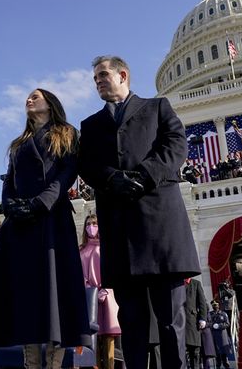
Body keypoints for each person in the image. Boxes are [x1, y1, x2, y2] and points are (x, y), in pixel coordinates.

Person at [78, 55, 201, 368]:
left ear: (123, 75)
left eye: (103, 75)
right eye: (95, 79)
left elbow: (175, 146)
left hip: (161, 231)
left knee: (171, 321)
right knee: (131, 323)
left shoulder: (157, 107)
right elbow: (87, 165)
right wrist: (112, 178)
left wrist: (144, 175)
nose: (98, 82)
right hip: (120, 235)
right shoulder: (90, 126)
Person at [0, 89, 91, 369]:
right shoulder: (18, 143)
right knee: (25, 292)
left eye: (35, 96)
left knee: (55, 293)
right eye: (27, 97)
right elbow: (8, 180)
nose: (29, 99)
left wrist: (40, 203)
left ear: (50, 104)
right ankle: (30, 362)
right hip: (20, 225)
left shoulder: (67, 133)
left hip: (52, 220)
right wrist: (10, 207)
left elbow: (67, 174)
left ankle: (53, 363)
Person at [79, 214, 121, 369]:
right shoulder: (81, 251)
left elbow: (111, 269)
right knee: (93, 338)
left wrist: (104, 288)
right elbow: (80, 275)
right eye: (88, 223)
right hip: (90, 298)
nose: (91, 226)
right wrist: (91, 290)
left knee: (109, 337)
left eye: (95, 223)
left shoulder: (106, 247)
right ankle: (93, 365)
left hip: (108, 295)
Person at [184, 278, 214, 369]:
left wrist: (203, 319)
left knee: (195, 353)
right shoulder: (176, 283)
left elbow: (202, 303)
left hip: (192, 323)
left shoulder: (196, 283)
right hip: (178, 323)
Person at [208, 301, 231, 369]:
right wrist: (212, 325)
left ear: (218, 305)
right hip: (214, 336)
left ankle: (226, 364)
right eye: (213, 305)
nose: (215, 306)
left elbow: (227, 324)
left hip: (222, 336)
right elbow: (208, 323)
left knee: (224, 353)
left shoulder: (223, 314)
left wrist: (219, 325)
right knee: (216, 353)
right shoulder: (210, 314)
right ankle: (218, 365)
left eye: (216, 305)